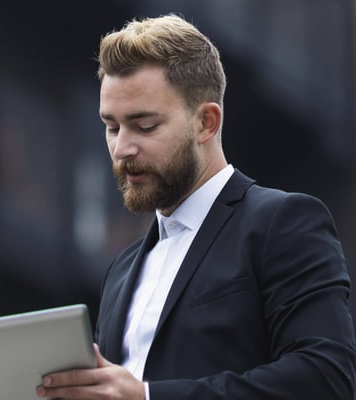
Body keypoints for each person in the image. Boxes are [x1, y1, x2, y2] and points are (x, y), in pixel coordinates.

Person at [37, 14, 356, 400]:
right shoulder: (120, 270)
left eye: (145, 125)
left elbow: (325, 378)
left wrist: (148, 396)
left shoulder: (284, 223)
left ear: (206, 122)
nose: (121, 149)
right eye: (112, 127)